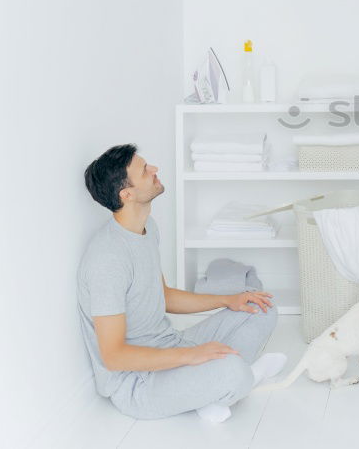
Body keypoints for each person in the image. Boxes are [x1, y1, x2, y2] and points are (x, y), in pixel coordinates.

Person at [77, 144, 287, 422]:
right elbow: (114, 356)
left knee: (261, 307)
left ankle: (210, 392)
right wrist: (191, 356)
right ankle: (240, 379)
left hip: (170, 344)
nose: (154, 170)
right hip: (138, 383)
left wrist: (228, 300)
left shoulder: (147, 227)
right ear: (126, 194)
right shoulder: (107, 259)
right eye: (144, 170)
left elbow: (164, 296)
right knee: (233, 370)